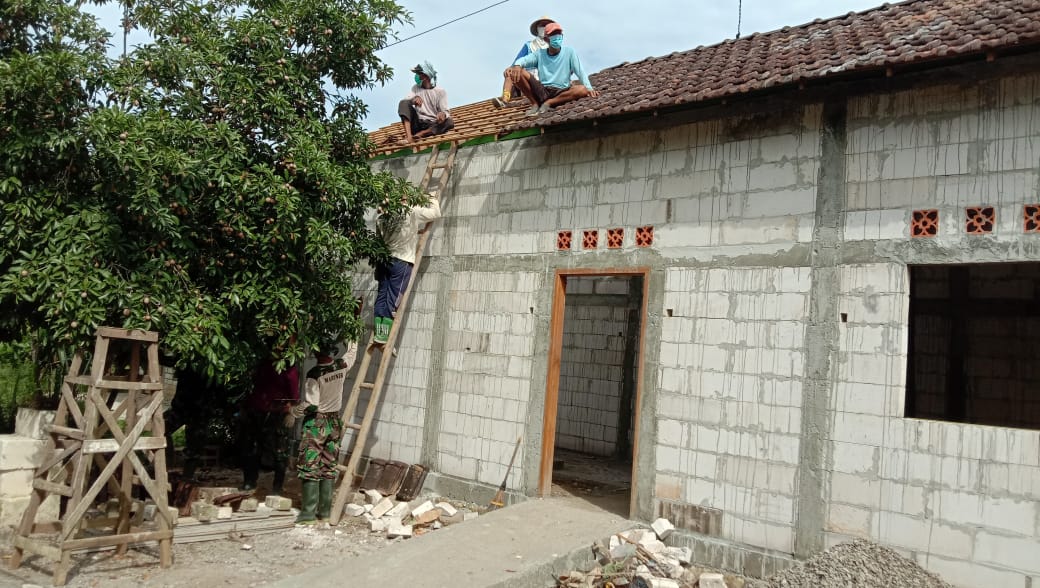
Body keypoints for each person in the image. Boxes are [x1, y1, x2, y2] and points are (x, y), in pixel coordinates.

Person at [288, 346, 355, 524]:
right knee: (329, 465)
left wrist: (293, 413)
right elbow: (351, 354)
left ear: (316, 353)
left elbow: (312, 405)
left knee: (309, 466)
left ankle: (308, 514)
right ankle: (324, 512)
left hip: (317, 425)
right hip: (334, 423)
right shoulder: (341, 366)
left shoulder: (314, 374)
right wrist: (354, 337)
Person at [373, 190, 441, 344]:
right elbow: (436, 213)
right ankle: (383, 336)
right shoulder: (411, 212)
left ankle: (378, 332)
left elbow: (382, 240)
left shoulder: (381, 218)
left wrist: (415, 231)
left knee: (382, 295)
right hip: (401, 262)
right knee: (394, 297)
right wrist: (432, 197)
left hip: (384, 260)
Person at [504, 23, 600, 116]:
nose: (557, 37)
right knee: (517, 71)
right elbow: (523, 60)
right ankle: (535, 104)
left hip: (562, 91)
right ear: (546, 39)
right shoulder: (540, 54)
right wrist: (517, 65)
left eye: (559, 34)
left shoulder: (569, 52)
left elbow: (580, 72)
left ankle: (550, 102)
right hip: (543, 90)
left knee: (582, 89)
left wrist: (590, 89)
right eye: (553, 35)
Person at [238, 357, 299, 494]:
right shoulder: (261, 362)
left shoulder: (288, 366)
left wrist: (292, 412)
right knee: (252, 448)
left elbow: (293, 393)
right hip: (256, 410)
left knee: (279, 451)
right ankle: (249, 482)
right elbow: (250, 385)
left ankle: (277, 487)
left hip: (277, 412)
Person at [492, 16, 555, 108]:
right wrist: (510, 69)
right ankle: (505, 100)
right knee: (511, 73)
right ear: (537, 29)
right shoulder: (529, 45)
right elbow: (516, 63)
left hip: (544, 80)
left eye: (546, 25)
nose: (544, 28)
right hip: (526, 77)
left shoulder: (553, 46)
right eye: (542, 25)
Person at [397, 62, 454, 143]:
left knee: (449, 122)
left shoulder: (440, 92)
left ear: (426, 76)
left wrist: (443, 114)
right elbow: (407, 99)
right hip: (417, 123)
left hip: (432, 124)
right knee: (403, 103)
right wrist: (414, 99)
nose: (418, 77)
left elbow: (445, 110)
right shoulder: (416, 88)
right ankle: (409, 137)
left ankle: (423, 133)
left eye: (420, 74)